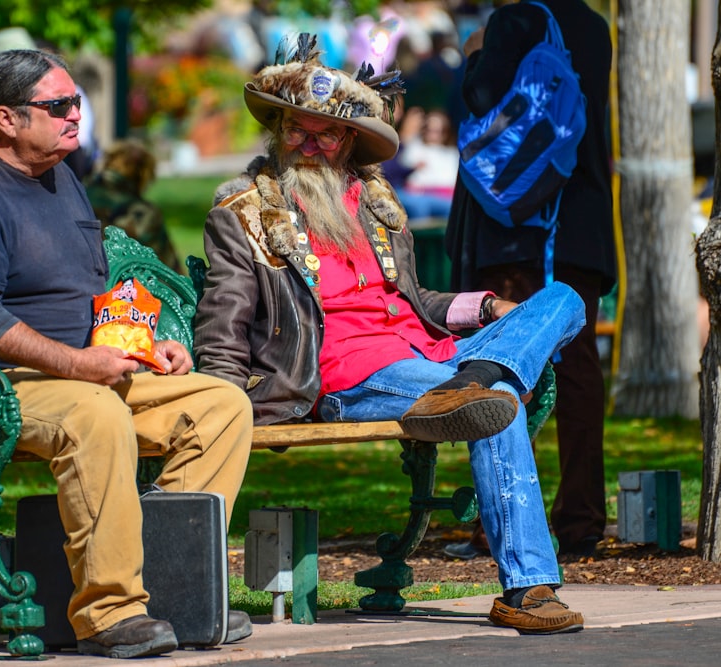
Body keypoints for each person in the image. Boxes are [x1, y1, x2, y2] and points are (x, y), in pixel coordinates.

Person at [193, 33, 587, 635]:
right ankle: (528, 589)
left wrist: (485, 310)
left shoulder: (375, 204)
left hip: (433, 354)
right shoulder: (243, 212)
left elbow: (415, 301)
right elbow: (224, 320)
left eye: (326, 133)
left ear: (349, 139)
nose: (310, 145)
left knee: (563, 299)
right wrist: (219, 402)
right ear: (278, 129)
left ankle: (480, 375)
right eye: (297, 129)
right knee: (499, 405)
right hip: (347, 371)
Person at [0, 49, 254, 659]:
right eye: (57, 106)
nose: (74, 116)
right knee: (95, 415)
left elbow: (87, 296)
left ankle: (175, 591)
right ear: (6, 119)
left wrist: (139, 342)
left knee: (221, 405)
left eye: (76, 103)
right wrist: (79, 365)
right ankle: (108, 613)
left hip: (67, 373)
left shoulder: (59, 178)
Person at [444, 0, 615, 560]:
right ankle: (581, 517)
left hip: (521, 226)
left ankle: (501, 523)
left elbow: (478, 101)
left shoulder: (514, 21)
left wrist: (472, 57)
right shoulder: (592, 26)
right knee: (579, 367)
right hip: (579, 221)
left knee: (508, 366)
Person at [85, 139, 181, 272]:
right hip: (123, 286)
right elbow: (169, 272)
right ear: (144, 174)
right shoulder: (144, 212)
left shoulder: (79, 194)